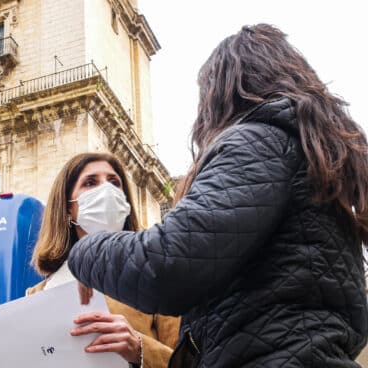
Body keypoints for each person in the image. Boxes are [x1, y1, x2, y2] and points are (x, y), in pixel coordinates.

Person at [67, 23, 368, 367]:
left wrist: (85, 252)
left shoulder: (258, 141)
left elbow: (167, 264)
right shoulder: (311, 157)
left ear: (223, 91)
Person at [0, 152, 180, 368]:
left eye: (115, 182)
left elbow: (196, 361)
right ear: (67, 209)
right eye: (90, 182)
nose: (107, 190)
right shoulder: (37, 294)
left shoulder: (159, 276)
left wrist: (140, 350)